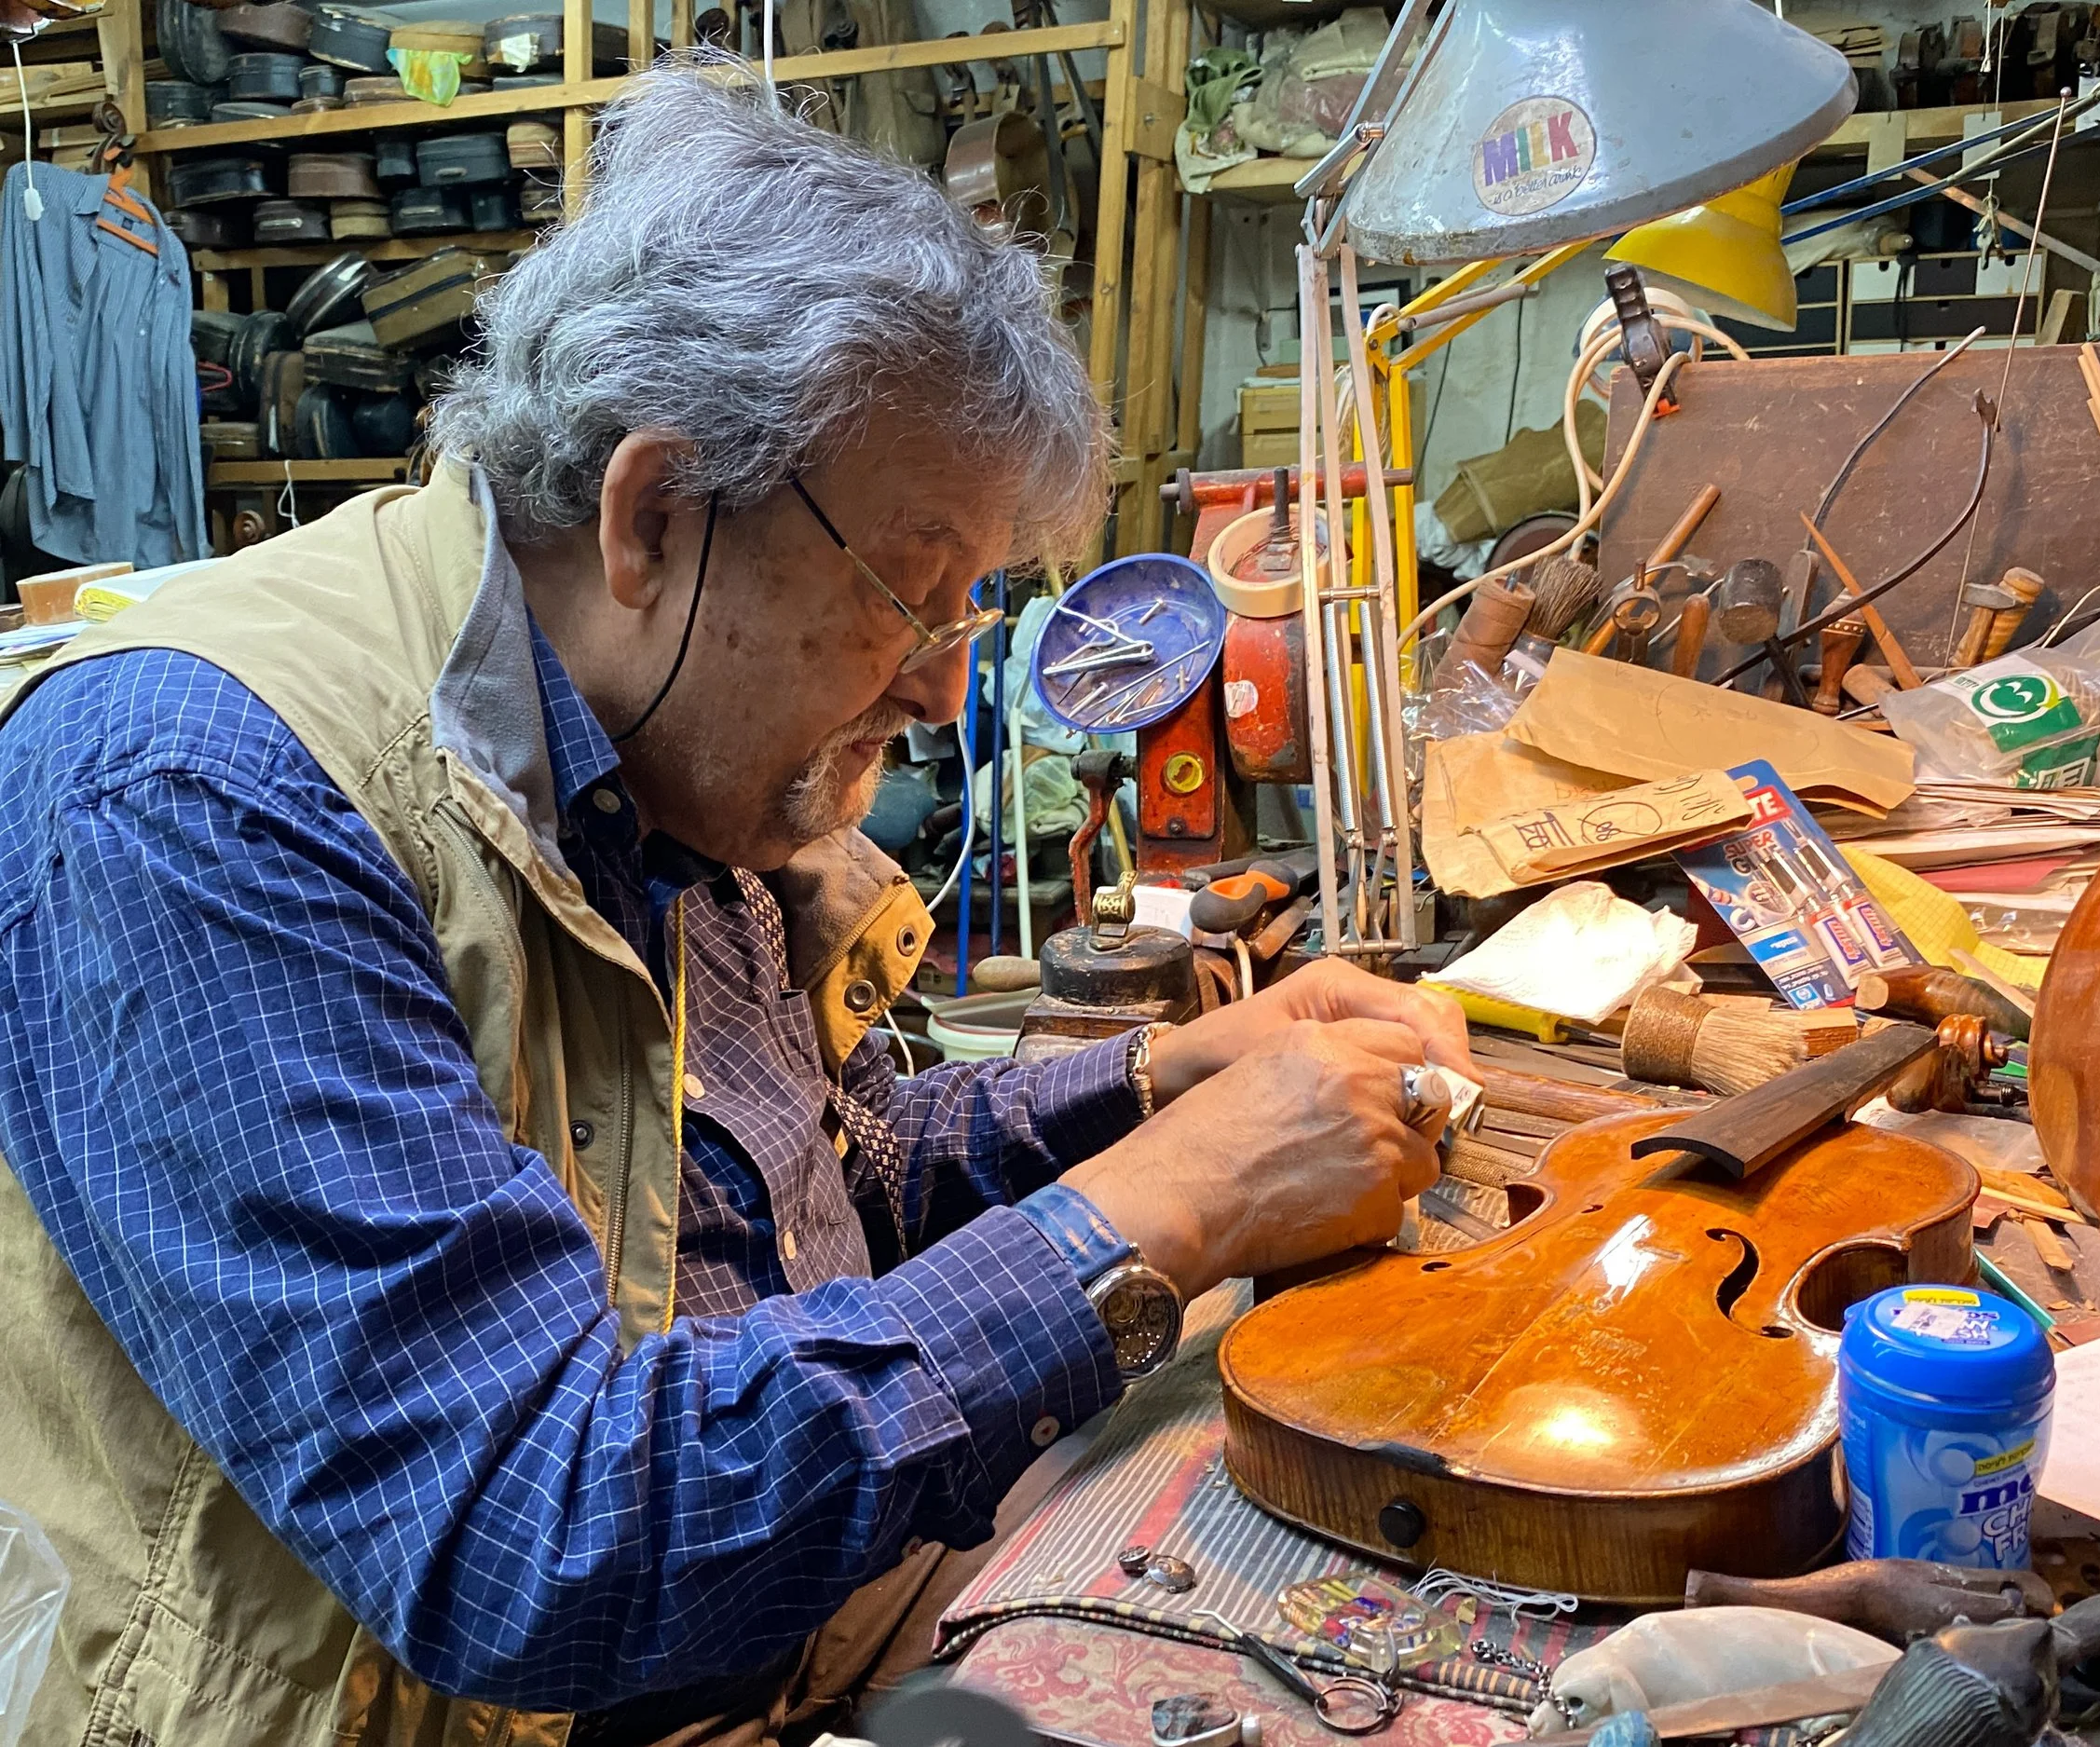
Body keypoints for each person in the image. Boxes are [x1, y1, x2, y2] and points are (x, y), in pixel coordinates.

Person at [0, 58, 1470, 1747]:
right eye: (913, 596)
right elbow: (524, 1541)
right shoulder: (194, 793)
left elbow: (815, 1183)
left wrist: (1156, 1091)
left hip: (798, 1641)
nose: (940, 689)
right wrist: (1167, 1208)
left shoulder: (669, 756)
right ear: (652, 512)